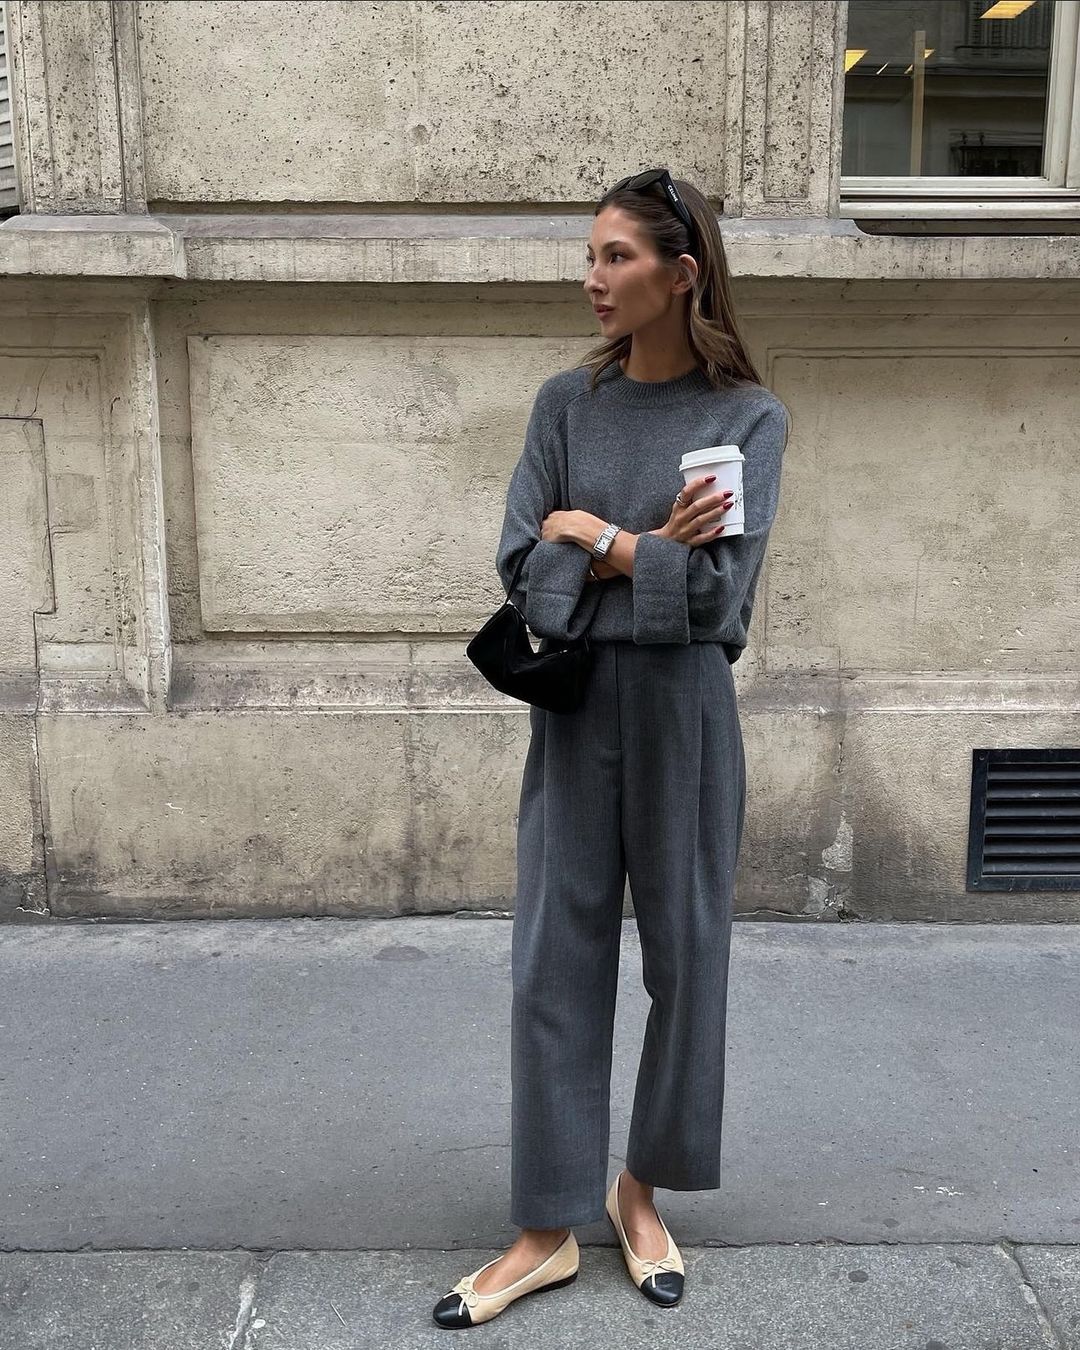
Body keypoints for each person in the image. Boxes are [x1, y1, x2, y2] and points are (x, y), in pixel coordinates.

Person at [433, 169, 791, 1328]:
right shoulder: (564, 407)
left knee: (687, 961)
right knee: (554, 961)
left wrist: (592, 537)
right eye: (590, 256)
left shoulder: (747, 421)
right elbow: (518, 571)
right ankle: (545, 1227)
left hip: (687, 716)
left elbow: (721, 603)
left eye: (616, 257)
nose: (593, 278)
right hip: (577, 708)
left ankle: (640, 1190)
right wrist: (644, 553)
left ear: (681, 274)